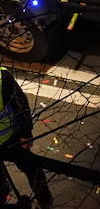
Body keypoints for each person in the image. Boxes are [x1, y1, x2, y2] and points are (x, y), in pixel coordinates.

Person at [0, 65, 52, 208]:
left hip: (12, 138)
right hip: (11, 137)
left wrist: (25, 134)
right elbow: (20, 105)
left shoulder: (2, 78)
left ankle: (44, 199)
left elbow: (20, 105)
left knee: (31, 168)